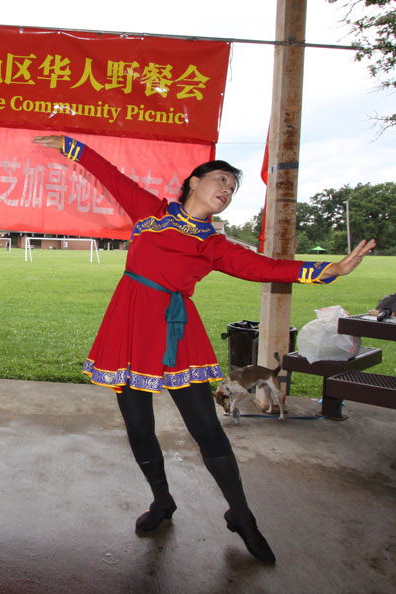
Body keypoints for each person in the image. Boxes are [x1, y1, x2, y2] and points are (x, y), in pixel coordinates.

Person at [33, 134, 375, 564]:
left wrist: (327, 269)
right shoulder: (151, 212)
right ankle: (162, 501)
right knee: (138, 426)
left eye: (232, 188)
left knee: (206, 428)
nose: (227, 190)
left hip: (176, 334)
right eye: (221, 180)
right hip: (130, 327)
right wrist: (72, 146)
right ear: (194, 182)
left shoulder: (213, 244)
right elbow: (111, 177)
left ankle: (241, 514)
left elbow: (264, 267)